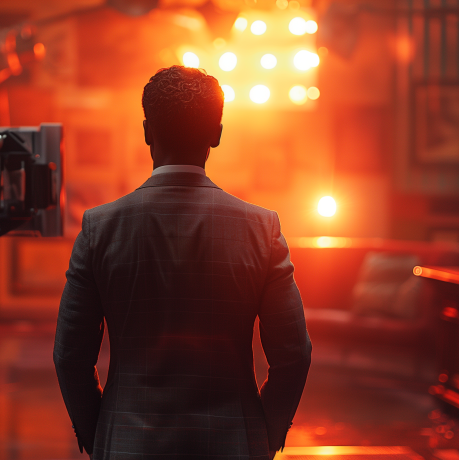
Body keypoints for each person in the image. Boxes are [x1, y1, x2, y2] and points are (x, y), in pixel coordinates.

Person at [54, 65, 312, 460]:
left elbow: (71, 355)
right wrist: (262, 435)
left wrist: (101, 435)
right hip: (233, 444)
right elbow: (292, 354)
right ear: (217, 134)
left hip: (127, 442)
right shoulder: (262, 228)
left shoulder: (99, 228)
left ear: (147, 132)